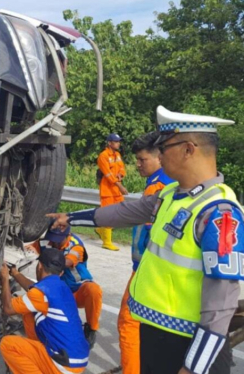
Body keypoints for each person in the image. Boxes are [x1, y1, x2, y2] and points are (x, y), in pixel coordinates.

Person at [48, 106, 243, 374]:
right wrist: (70, 218)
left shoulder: (219, 213)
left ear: (189, 149)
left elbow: (221, 303)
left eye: (164, 147)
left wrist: (193, 367)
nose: (159, 155)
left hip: (188, 347)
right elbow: (125, 212)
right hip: (156, 334)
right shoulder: (173, 194)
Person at [118, 131, 173, 374]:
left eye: (143, 160)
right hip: (155, 270)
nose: (138, 165)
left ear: (159, 158)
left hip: (146, 271)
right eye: (137, 160)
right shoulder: (165, 182)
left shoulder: (158, 188)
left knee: (128, 323)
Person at [0, 248, 90, 374]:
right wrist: (14, 273)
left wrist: (4, 279)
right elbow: (33, 288)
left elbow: (8, 308)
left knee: (8, 344)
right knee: (28, 313)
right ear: (61, 273)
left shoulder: (40, 293)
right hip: (77, 358)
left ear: (39, 266)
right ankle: (38, 359)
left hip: (65, 364)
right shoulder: (62, 287)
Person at [44, 226, 102, 349]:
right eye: (53, 238)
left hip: (76, 291)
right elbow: (33, 248)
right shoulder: (48, 241)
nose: (55, 242)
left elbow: (68, 262)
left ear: (68, 234)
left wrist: (47, 258)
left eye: (58, 239)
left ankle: (91, 329)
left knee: (94, 290)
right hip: (58, 291)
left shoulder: (76, 246)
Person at [95, 133, 128, 251]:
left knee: (119, 213)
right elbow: (108, 175)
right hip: (108, 190)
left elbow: (121, 168)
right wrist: (121, 187)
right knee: (109, 215)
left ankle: (100, 230)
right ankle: (107, 242)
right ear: (109, 143)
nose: (118, 143)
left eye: (119, 141)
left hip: (116, 191)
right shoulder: (103, 156)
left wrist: (121, 174)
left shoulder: (117, 155)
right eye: (116, 141)